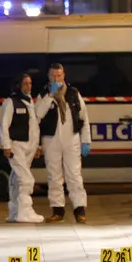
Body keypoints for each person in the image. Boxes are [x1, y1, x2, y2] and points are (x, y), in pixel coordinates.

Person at [36, 62, 91, 223]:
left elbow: (83, 118)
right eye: (53, 75)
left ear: (64, 75)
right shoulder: (44, 93)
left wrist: (85, 140)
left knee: (74, 175)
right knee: (54, 176)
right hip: (51, 140)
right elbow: (37, 114)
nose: (56, 78)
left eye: (59, 75)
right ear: (48, 76)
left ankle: (79, 209)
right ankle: (57, 210)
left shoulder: (73, 93)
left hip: (71, 139)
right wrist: (49, 97)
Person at [0, 73, 44, 223]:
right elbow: (4, 125)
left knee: (16, 178)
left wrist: (37, 146)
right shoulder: (11, 102)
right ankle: (25, 212)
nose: (28, 86)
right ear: (17, 85)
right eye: (25, 83)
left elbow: (34, 127)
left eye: (30, 83)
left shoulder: (31, 102)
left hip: (29, 147)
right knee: (26, 179)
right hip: (16, 146)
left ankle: (14, 211)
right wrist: (6, 145)